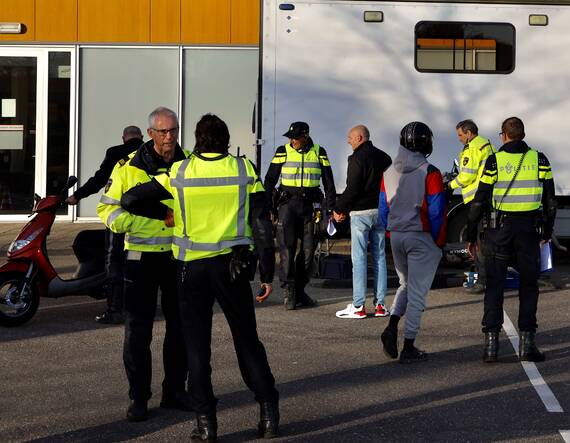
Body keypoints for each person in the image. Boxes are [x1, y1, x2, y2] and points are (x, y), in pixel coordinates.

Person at [122, 113, 279, 442]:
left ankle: (206, 425)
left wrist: (166, 212)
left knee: (197, 348)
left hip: (190, 269)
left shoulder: (179, 171)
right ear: (225, 140)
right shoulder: (243, 169)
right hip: (232, 267)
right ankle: (268, 414)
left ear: (196, 139)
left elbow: (130, 199)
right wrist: (267, 272)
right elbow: (262, 223)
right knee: (247, 341)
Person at [96, 108, 189, 422]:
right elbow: (106, 210)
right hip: (140, 257)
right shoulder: (127, 166)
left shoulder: (189, 164)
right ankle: (139, 397)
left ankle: (175, 391)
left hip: (178, 257)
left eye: (173, 131)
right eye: (163, 132)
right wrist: (136, 222)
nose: (169, 137)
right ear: (150, 134)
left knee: (180, 328)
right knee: (138, 332)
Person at [468, 116, 556, 363]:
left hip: (499, 231)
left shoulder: (494, 160)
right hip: (529, 231)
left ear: (504, 136)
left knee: (494, 286)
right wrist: (547, 233)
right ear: (523, 135)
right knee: (529, 287)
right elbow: (550, 201)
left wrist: (470, 231)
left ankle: (491, 347)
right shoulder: (539, 159)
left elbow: (480, 199)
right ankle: (527, 346)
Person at [378, 122, 446, 364]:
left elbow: (383, 209)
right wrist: (438, 241)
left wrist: (391, 232)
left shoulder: (388, 172)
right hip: (420, 234)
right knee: (418, 294)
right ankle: (408, 346)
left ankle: (392, 325)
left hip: (396, 234)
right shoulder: (430, 172)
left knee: (405, 285)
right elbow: (437, 211)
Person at [68, 125, 144, 324]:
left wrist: (77, 196)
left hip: (119, 219)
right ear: (142, 137)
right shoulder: (149, 153)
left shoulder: (116, 153)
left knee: (114, 261)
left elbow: (99, 180)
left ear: (123, 138)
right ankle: (138, 305)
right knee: (139, 262)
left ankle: (114, 309)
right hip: (146, 222)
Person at [263, 121, 336, 310]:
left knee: (309, 252)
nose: (292, 141)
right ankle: (289, 291)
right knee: (286, 249)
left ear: (305, 136)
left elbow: (329, 182)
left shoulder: (319, 151)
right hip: (288, 205)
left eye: (295, 137)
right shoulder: (283, 150)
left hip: (310, 207)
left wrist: (329, 208)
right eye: (290, 137)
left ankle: (300, 289)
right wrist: (269, 207)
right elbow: (270, 179)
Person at [333, 125, 392, 319]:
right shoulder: (382, 157)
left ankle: (358, 306)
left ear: (359, 138)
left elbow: (353, 188)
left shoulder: (357, 158)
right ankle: (381, 306)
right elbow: (389, 165)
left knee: (359, 259)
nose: (348, 141)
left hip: (361, 213)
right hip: (380, 211)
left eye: (350, 137)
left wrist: (339, 209)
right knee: (379, 257)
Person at [448, 119, 493, 295]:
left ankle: (481, 281)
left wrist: (450, 185)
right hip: (488, 197)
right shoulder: (486, 144)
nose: (459, 138)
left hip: (476, 199)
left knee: (477, 242)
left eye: (460, 135)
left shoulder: (472, 147)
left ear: (468, 133)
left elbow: (466, 176)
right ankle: (487, 278)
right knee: (485, 240)